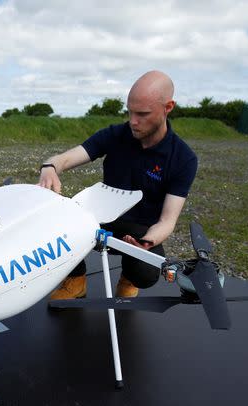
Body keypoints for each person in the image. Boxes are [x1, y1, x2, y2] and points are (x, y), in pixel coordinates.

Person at [38, 70, 197, 300]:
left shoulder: (183, 158)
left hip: (140, 230)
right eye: (130, 111)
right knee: (53, 219)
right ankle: (75, 279)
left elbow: (167, 221)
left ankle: (129, 278)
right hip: (100, 219)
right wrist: (50, 167)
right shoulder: (115, 135)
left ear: (168, 107)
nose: (133, 121)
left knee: (147, 273)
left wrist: (145, 243)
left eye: (142, 114)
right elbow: (64, 159)